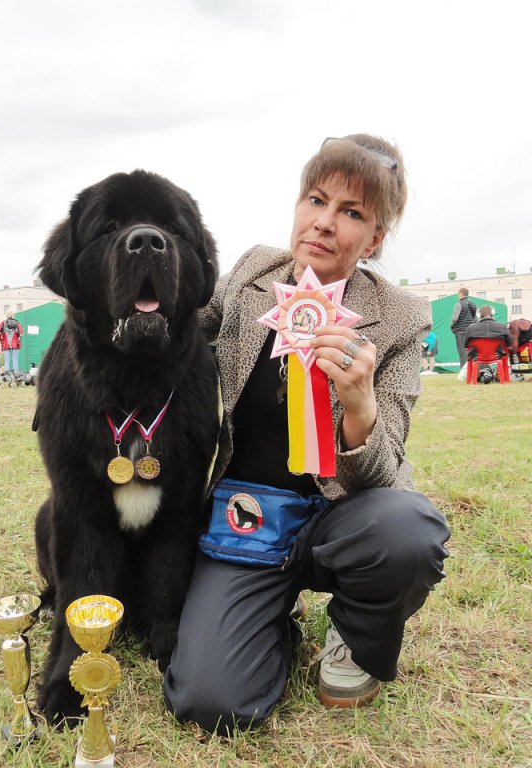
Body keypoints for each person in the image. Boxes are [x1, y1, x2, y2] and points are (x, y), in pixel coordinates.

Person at [163, 134, 451, 735]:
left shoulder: (398, 319)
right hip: (244, 518)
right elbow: (179, 330)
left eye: (351, 213)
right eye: (315, 200)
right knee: (211, 702)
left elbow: (383, 466)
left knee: (408, 530)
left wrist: (359, 406)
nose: (323, 223)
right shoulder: (250, 273)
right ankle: (273, 616)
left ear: (374, 240)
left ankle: (355, 632)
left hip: (337, 519)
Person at [450, 288, 477, 368]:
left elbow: (455, 318)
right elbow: (475, 319)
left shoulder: (459, 304)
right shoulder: (473, 304)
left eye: (458, 294)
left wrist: (451, 326)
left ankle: (464, 370)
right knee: (471, 350)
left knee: (462, 351)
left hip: (460, 331)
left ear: (461, 294)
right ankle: (472, 368)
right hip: (471, 331)